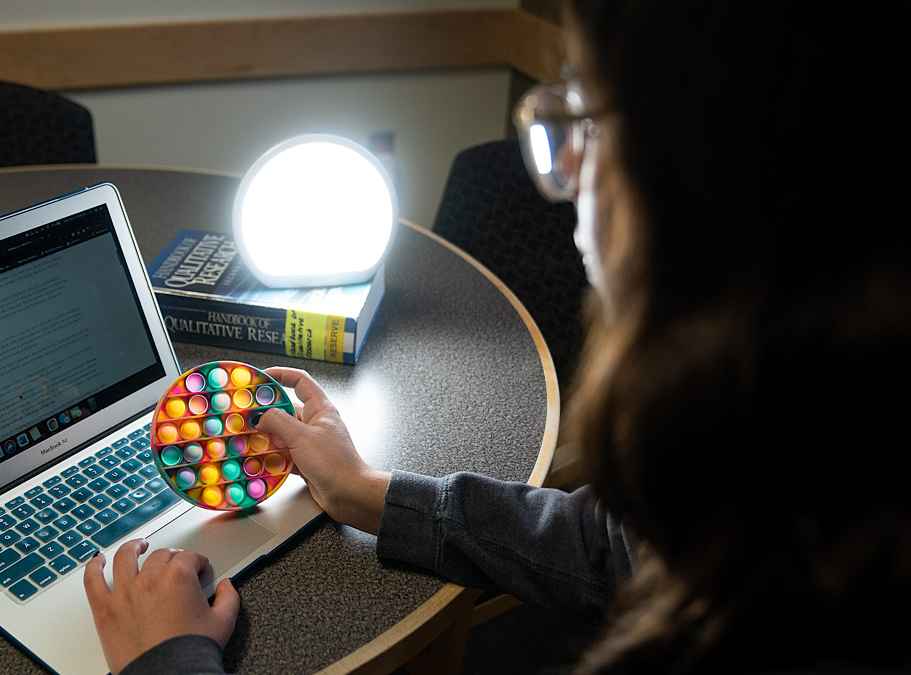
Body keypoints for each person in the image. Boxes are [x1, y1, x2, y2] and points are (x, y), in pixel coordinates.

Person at [83, 1, 911, 673]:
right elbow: (622, 545)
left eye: (585, 109)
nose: (568, 176)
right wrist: (368, 490)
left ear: (707, 169)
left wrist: (170, 661)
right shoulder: (803, 465)